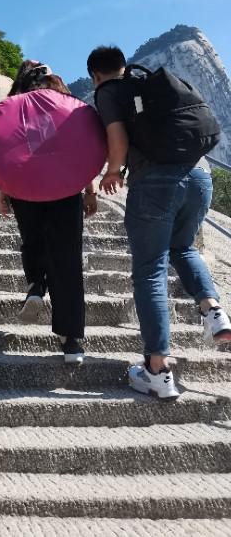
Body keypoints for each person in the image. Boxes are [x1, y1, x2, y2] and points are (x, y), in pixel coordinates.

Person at [87, 45, 231, 399]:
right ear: (123, 65)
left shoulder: (108, 92)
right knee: (181, 247)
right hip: (200, 175)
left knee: (150, 269)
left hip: (155, 181)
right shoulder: (149, 84)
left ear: (95, 75)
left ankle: (157, 370)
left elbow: (117, 139)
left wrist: (111, 171)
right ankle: (213, 311)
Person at [0, 60, 98, 363]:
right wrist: (89, 190)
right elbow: (83, 147)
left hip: (24, 186)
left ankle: (35, 286)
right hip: (65, 187)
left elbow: (3, 151)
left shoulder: (14, 102)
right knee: (67, 258)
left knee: (32, 241)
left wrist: (3, 191)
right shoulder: (64, 97)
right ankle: (71, 342)